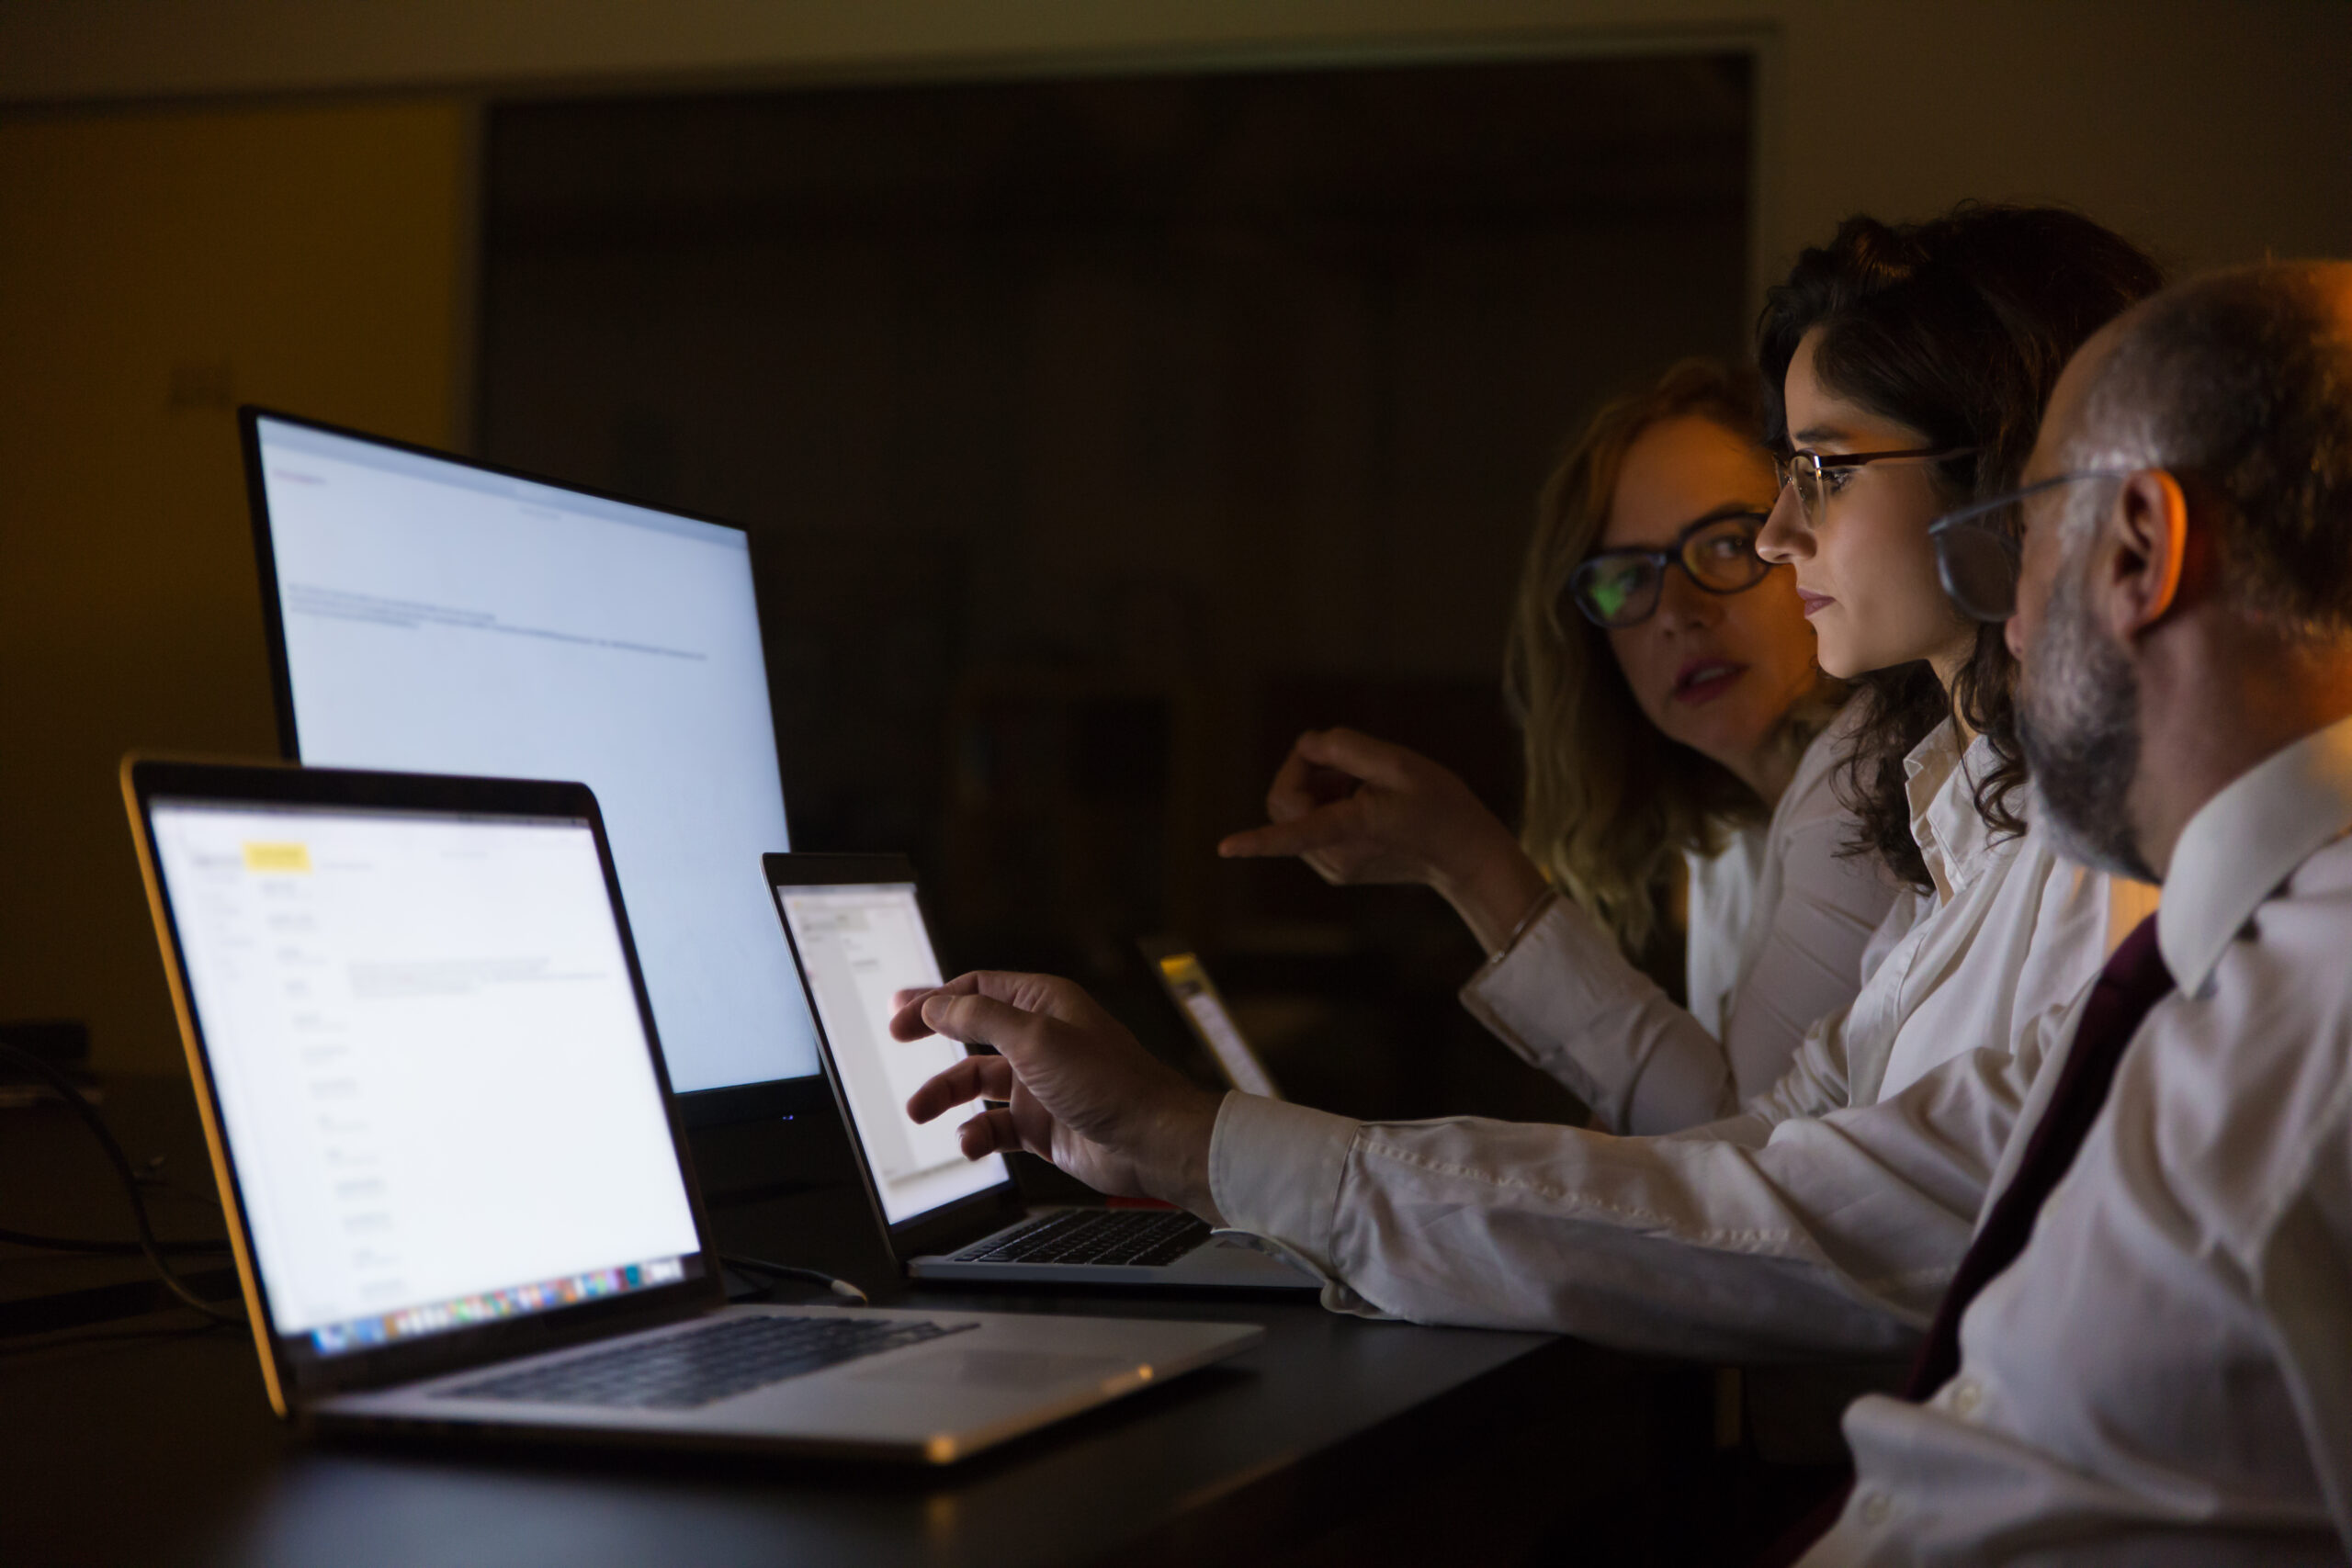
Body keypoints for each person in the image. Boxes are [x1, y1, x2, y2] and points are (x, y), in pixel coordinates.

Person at [891, 204, 2160, 1359]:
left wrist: (1201, 1138)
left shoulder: (2069, 846)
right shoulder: (1951, 823)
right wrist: (1202, 1149)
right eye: (1623, 581)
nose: (1775, 540)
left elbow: (1790, 1206)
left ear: (2006, 474)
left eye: (1811, 475)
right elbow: (1764, 1156)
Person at [1802, 263, 2352, 1562]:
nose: (2011, 623)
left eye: (2021, 541)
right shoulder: (2201, 977)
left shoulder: (2322, 1024)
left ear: (2140, 549)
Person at [1218, 358, 1897, 1135]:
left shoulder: (1864, 778)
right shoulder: (1727, 840)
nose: (1676, 611)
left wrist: (1469, 862)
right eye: (1626, 578)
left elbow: (1737, 1145)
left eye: (1724, 544)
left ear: (1800, 535)